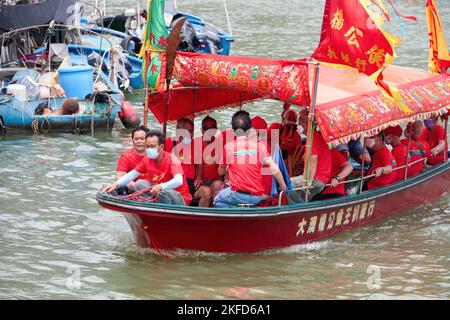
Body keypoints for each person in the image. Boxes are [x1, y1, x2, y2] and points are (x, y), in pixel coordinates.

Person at [213, 111, 287, 208]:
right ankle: (246, 210)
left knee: (217, 200)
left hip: (251, 194)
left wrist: (228, 168)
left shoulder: (229, 147)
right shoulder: (262, 147)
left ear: (255, 130)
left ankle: (240, 211)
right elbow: (274, 169)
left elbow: (221, 172)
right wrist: (283, 186)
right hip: (257, 195)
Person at [102, 130, 192, 206]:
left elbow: (178, 180)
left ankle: (162, 211)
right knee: (139, 183)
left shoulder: (172, 159)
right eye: (147, 146)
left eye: (152, 146)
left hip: (179, 200)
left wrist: (161, 186)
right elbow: (132, 174)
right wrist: (116, 184)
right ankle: (152, 207)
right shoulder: (147, 159)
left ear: (161, 147)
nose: (149, 149)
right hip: (159, 195)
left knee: (162, 191)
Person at [287, 109, 331, 203]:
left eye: (301, 121)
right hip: (320, 177)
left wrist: (308, 181)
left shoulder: (312, 137)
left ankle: (299, 207)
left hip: (317, 178)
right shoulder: (310, 136)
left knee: (286, 183)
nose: (298, 123)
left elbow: (313, 161)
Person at [192, 116, 224, 207]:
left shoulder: (220, 144)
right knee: (207, 191)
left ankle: (215, 216)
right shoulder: (194, 143)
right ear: (202, 130)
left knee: (218, 185)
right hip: (199, 183)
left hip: (215, 181)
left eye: (212, 129)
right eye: (207, 129)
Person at [267, 106, 303, 176]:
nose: (291, 130)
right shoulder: (275, 127)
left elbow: (297, 158)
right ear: (283, 122)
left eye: (293, 127)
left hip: (287, 165)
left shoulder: (297, 137)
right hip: (271, 161)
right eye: (288, 126)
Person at [165, 118, 196, 196]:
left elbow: (199, 164)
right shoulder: (166, 143)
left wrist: (199, 177)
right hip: (171, 180)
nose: (192, 135)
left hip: (189, 182)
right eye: (189, 132)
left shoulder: (195, 145)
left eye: (192, 131)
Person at [115, 125, 150, 195]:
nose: (139, 141)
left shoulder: (155, 155)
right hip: (132, 189)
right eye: (136, 139)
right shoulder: (126, 156)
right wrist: (129, 183)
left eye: (142, 139)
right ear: (132, 140)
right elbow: (119, 176)